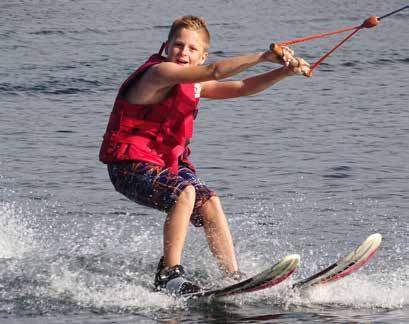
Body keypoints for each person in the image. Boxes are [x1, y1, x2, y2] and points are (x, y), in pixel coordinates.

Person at [99, 15, 310, 295]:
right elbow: (215, 72)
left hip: (167, 165)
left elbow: (243, 87)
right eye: (177, 45)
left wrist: (284, 72)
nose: (183, 53)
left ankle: (232, 277)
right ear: (166, 46)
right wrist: (263, 56)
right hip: (129, 166)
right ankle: (168, 275)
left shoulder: (193, 83)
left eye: (191, 49)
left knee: (209, 201)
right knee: (185, 192)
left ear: (201, 55)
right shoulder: (158, 73)